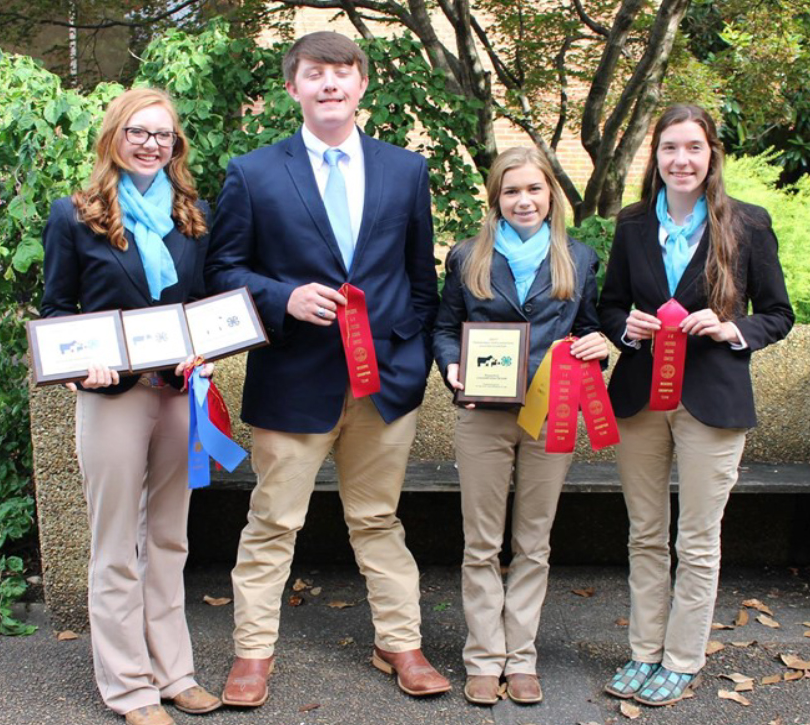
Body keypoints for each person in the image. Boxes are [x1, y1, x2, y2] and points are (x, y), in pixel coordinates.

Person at [205, 31, 448, 707]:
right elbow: (223, 269)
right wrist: (283, 296)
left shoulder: (406, 170)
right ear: (294, 88)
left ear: (362, 83)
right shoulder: (253, 173)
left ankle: (399, 643)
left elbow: (419, 278)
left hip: (385, 384)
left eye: (342, 72)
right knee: (274, 523)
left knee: (378, 519)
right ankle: (253, 654)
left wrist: (418, 358)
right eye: (315, 74)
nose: (330, 84)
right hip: (293, 379)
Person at [598, 104, 794, 706]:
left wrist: (732, 328)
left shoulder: (748, 225)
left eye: (694, 148)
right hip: (639, 398)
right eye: (669, 149)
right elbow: (609, 306)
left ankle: (682, 660)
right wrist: (626, 328)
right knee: (645, 533)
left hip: (713, 398)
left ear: (712, 155)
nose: (681, 160)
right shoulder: (632, 225)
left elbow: (779, 315)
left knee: (699, 540)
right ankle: (644, 651)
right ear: (654, 157)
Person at [40, 88, 220, 725]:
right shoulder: (76, 214)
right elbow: (58, 308)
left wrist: (208, 349)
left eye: (163, 135)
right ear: (115, 135)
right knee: (115, 544)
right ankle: (129, 688)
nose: (151, 144)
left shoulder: (192, 213)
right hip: (112, 396)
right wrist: (77, 364)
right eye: (139, 132)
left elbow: (206, 304)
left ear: (176, 146)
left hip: (175, 395)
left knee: (169, 538)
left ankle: (174, 673)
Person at [432, 146, 608, 706]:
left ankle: (521, 656)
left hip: (551, 412)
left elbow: (589, 327)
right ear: (496, 198)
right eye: (512, 191)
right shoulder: (466, 257)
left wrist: (596, 347)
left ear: (551, 194)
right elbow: (443, 327)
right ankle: (483, 657)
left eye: (534, 189)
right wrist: (452, 365)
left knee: (534, 541)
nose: (524, 200)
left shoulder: (578, 258)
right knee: (481, 542)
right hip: (483, 416)